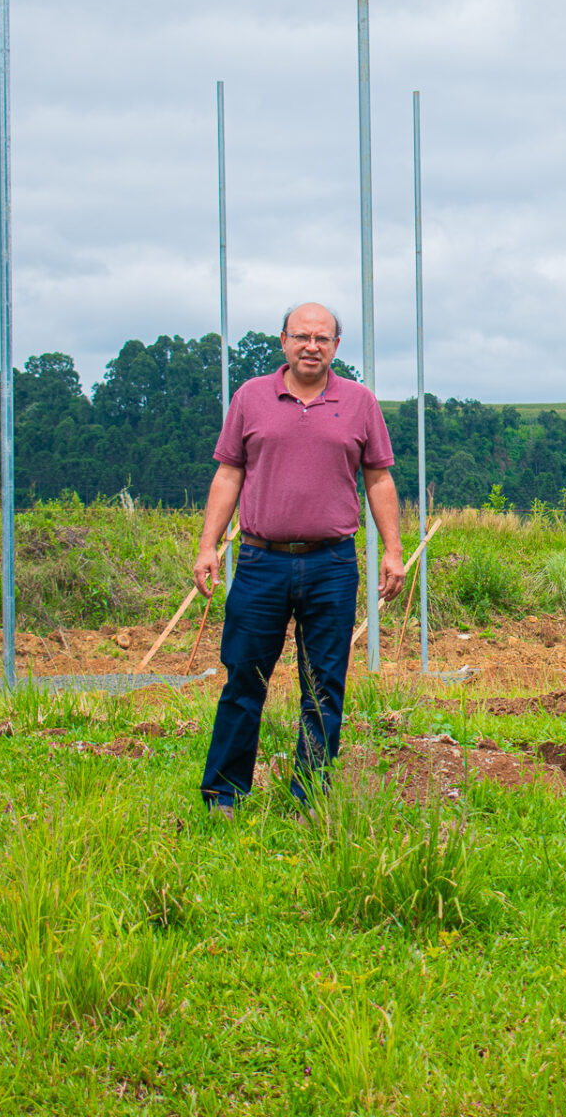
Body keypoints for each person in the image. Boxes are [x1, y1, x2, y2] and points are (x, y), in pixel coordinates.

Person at [192, 302, 405, 814]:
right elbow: (228, 474)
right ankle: (225, 793)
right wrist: (208, 546)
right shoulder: (250, 397)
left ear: (336, 346)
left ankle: (310, 797)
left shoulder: (359, 402)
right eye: (302, 336)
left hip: (332, 565)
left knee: (324, 686)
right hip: (261, 562)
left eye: (323, 338)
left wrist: (393, 551)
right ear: (283, 340)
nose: (312, 346)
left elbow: (378, 478)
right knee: (244, 677)